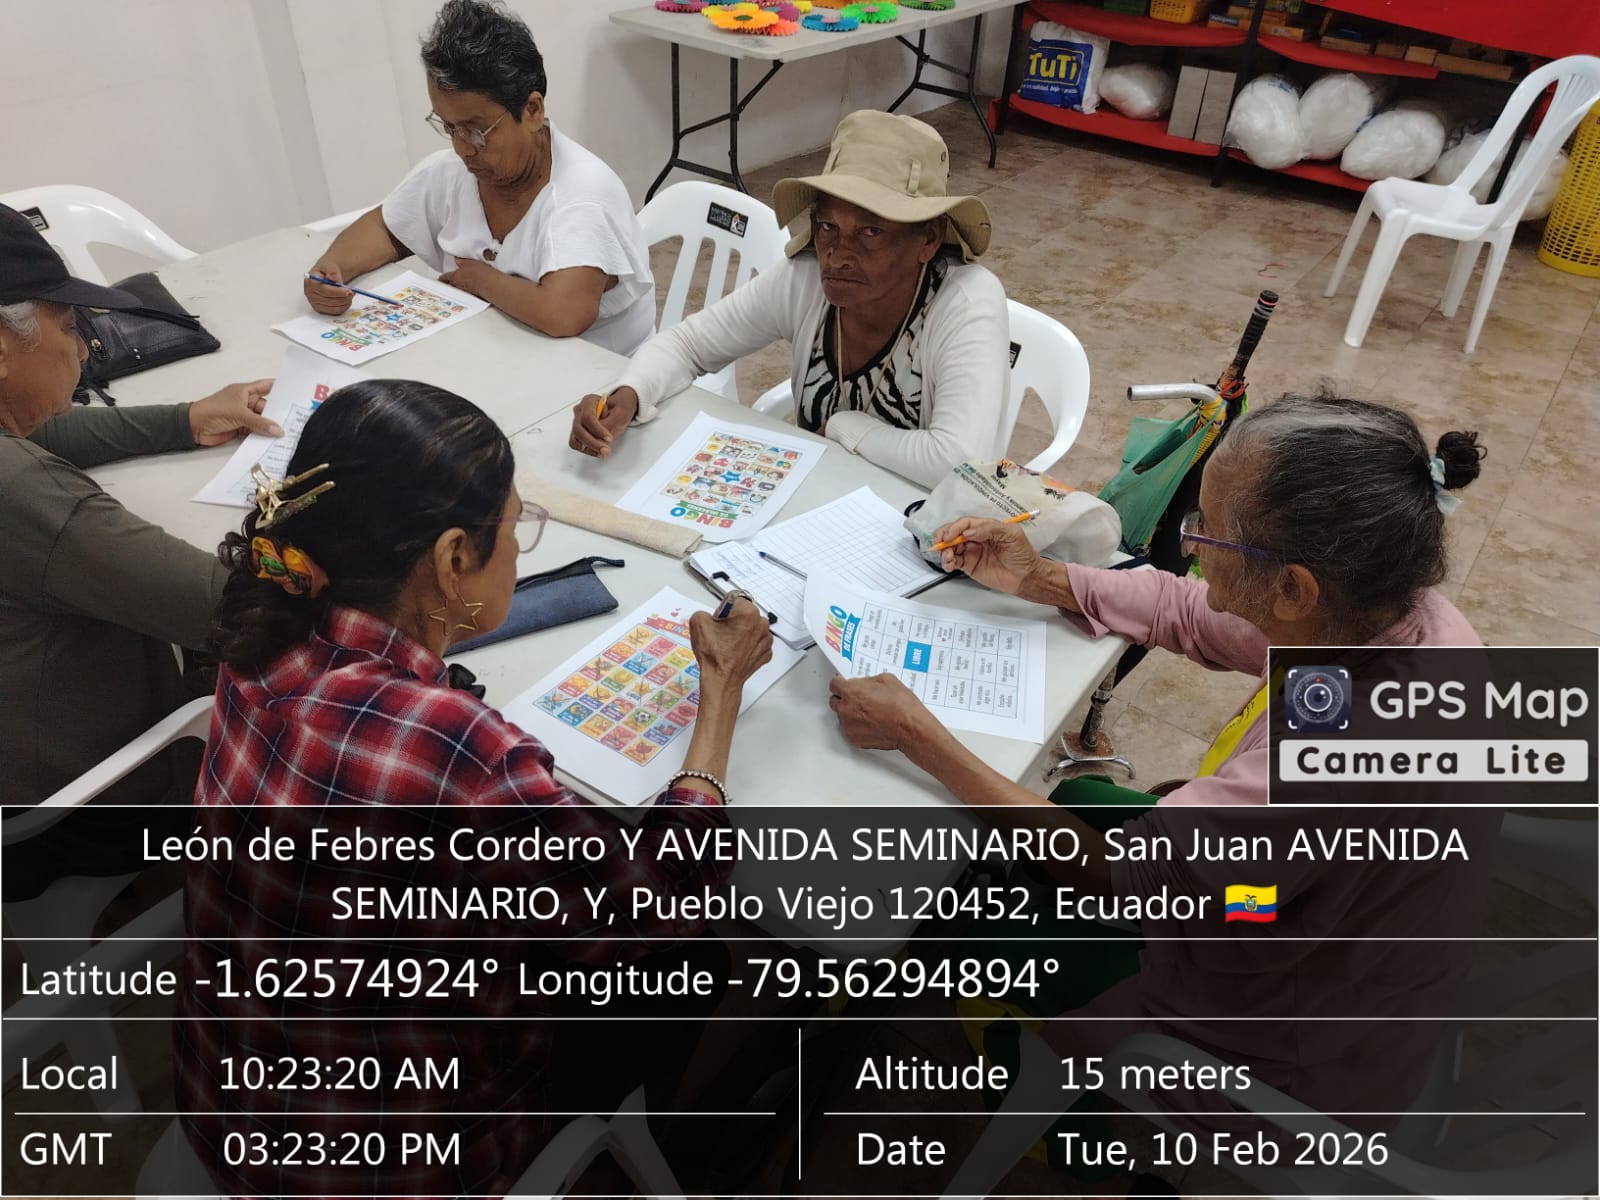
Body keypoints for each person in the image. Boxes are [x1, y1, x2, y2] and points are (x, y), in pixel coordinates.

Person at [826, 392, 1499, 1184]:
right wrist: (1043, 577)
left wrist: (921, 739)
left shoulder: (1333, 757)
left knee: (964, 927)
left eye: (1205, 532)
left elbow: (1127, 877)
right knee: (1070, 807)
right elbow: (1198, 613)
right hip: (1316, 926)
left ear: (1293, 589)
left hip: (1270, 1053)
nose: (1190, 549)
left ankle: (1063, 1119)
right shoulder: (1390, 608)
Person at [176, 378, 774, 1198]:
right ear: (455, 558)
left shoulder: (264, 622)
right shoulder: (461, 749)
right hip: (390, 1171)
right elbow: (656, 906)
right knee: (696, 959)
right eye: (516, 528)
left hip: (228, 1108)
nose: (521, 549)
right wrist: (719, 703)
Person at [0, 202, 277, 875]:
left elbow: (36, 427)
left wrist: (185, 418)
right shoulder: (26, 494)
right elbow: (232, 610)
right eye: (71, 328)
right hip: (72, 812)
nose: (84, 350)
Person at [569, 110, 1010, 489]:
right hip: (817, 504)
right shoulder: (805, 278)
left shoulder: (965, 302)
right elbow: (687, 345)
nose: (837, 254)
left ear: (928, 239)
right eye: (827, 226)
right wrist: (629, 393)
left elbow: (958, 461)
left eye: (871, 231)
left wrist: (843, 427)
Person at [303, 0, 654, 355]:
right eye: (449, 127)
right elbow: (385, 227)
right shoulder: (452, 174)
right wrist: (332, 270)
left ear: (532, 111)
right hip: (497, 356)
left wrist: (479, 279)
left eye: (476, 131)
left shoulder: (583, 194)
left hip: (598, 375)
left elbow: (563, 313)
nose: (462, 148)